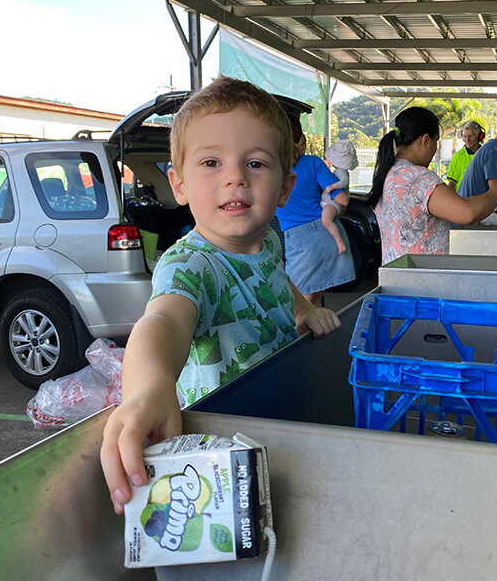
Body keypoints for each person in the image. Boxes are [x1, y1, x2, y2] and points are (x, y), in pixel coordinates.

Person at [100, 77, 342, 515]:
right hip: (219, 458)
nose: (234, 178)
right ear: (179, 184)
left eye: (255, 164)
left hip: (281, 419)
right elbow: (163, 322)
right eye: (211, 163)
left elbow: (275, 275)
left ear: (285, 188)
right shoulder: (192, 265)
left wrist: (303, 308)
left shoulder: (268, 239)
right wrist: (148, 389)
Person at [365, 107, 497, 265]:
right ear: (425, 140)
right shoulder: (418, 178)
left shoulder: (390, 173)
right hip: (423, 276)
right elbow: (467, 213)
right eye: (436, 142)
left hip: (397, 273)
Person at [276, 116, 356, 307]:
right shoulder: (313, 163)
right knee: (315, 302)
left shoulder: (271, 167)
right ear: (299, 142)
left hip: (298, 239)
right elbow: (342, 199)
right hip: (327, 232)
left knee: (298, 305)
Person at [321, 140, 359, 255]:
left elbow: (344, 182)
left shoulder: (341, 171)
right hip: (330, 202)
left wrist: (333, 186)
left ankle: (339, 241)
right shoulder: (340, 170)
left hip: (332, 203)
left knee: (326, 220)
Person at [445, 121, 485, 191]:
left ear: (479, 137)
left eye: (470, 136)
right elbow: (451, 184)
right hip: (462, 199)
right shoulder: (458, 156)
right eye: (465, 136)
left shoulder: (486, 155)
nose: (467, 139)